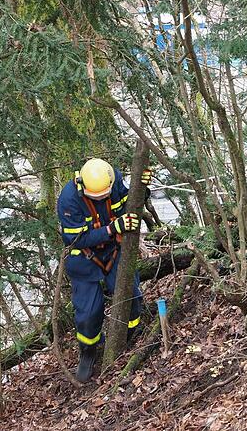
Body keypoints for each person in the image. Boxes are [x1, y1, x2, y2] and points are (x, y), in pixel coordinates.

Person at [56, 158, 153, 382]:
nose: (101, 199)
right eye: (95, 197)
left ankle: (131, 335)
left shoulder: (114, 179)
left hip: (114, 251)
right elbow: (75, 239)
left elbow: (130, 204)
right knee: (88, 311)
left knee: (130, 294)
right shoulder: (69, 200)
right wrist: (112, 228)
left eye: (104, 195)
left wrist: (142, 188)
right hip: (85, 258)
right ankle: (88, 352)